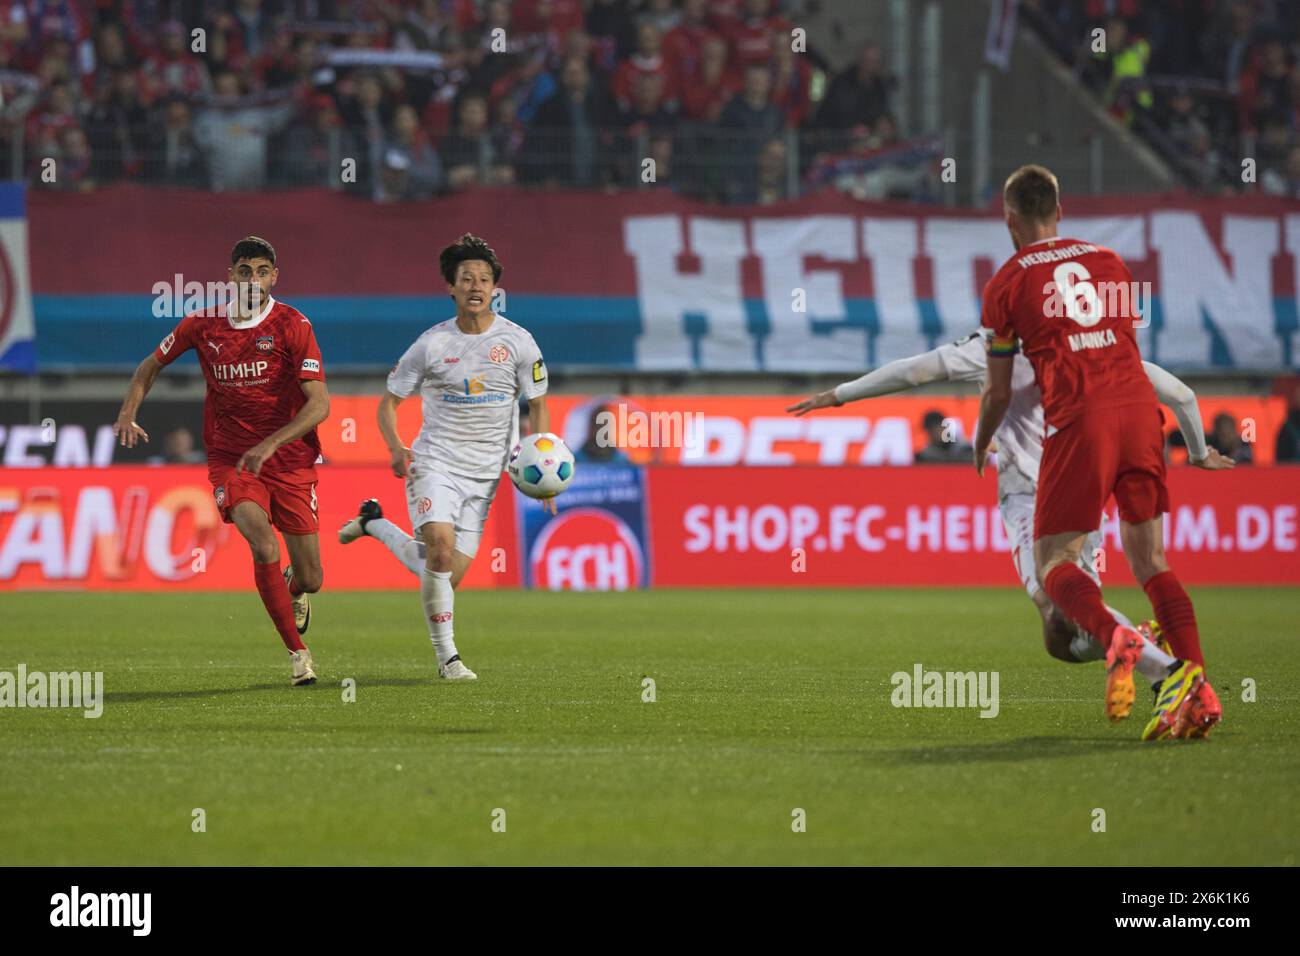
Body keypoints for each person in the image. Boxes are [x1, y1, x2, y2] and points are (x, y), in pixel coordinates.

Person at [789, 329, 1230, 715]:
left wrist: (841, 394)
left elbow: (914, 371)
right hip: (1084, 483)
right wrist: (1197, 455)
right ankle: (1145, 649)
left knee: (1053, 609)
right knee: (1065, 625)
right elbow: (1181, 394)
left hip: (1031, 495)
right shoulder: (1094, 341)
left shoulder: (994, 346)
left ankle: (1158, 668)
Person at [974, 164, 1224, 740]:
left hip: (1080, 420)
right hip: (1139, 411)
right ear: (1060, 211)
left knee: (1055, 563)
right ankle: (1197, 691)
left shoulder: (1005, 284)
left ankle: (1119, 639)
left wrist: (986, 436)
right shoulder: (1110, 262)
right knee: (1152, 562)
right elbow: (1120, 343)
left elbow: (1001, 388)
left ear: (1009, 220)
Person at [113, 236, 330, 686]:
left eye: (261, 271)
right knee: (262, 542)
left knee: (312, 577)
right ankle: (297, 653)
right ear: (231, 275)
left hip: (289, 459)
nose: (252, 279)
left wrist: (272, 443)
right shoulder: (204, 324)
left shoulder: (293, 325)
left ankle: (294, 590)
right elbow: (149, 366)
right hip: (233, 460)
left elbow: (319, 405)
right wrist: (127, 412)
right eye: (244, 270)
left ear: (274, 277)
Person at [338, 234, 557, 681]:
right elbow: (388, 403)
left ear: (495, 288)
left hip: (487, 475)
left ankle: (373, 523)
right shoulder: (431, 345)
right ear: (451, 288)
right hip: (435, 461)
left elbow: (537, 404)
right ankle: (448, 660)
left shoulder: (519, 342)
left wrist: (545, 468)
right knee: (438, 550)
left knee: (443, 575)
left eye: (484, 279)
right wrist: (394, 447)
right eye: (466, 279)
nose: (476, 286)